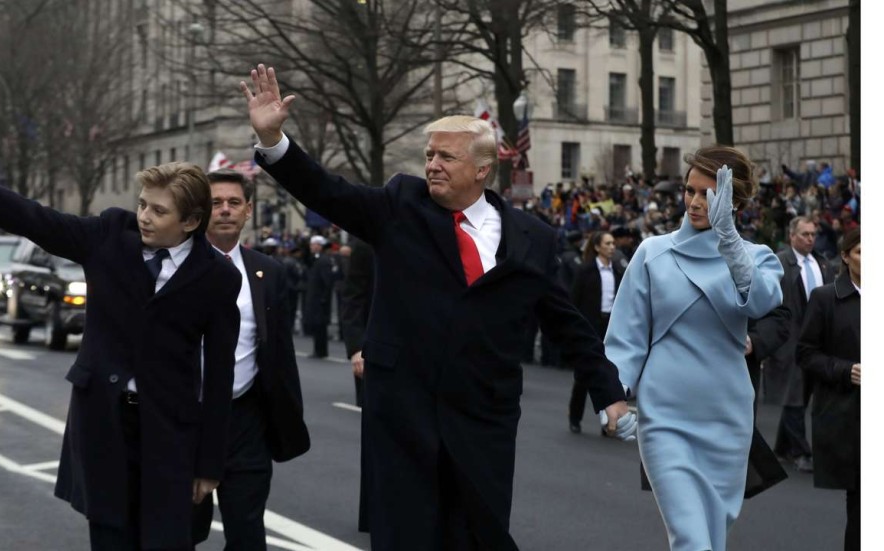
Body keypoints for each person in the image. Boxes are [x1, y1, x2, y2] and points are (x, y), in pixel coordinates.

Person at [240, 64, 632, 551]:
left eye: (446, 156)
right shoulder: (399, 206)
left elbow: (567, 324)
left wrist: (609, 394)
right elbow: (327, 190)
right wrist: (275, 139)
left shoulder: (533, 238)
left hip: (483, 419)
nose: (432, 165)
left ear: (482, 169)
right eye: (429, 155)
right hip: (402, 419)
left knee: (479, 538)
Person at [0, 137, 241, 550]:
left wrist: (209, 465)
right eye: (143, 204)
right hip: (104, 425)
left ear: (190, 221)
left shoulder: (218, 276)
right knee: (110, 539)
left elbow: (220, 376)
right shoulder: (110, 234)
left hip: (170, 435)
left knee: (168, 540)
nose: (145, 216)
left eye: (159, 211)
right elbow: (33, 219)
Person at [604, 146, 783, 551]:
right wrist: (612, 397)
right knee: (691, 539)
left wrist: (729, 241)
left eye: (709, 194)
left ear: (734, 200)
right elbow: (625, 337)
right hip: (665, 417)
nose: (696, 202)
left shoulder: (758, 258)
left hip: (727, 416)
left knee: (713, 538)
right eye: (690, 191)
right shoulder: (652, 252)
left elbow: (761, 301)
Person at [203, 168, 311, 549]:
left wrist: (283, 418)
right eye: (215, 203)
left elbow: (280, 354)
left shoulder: (271, 273)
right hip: (188, 419)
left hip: (245, 421)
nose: (225, 210)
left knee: (247, 532)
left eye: (234, 203)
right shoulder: (173, 266)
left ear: (248, 210)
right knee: (181, 530)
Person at [796, 227, 860, 551]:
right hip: (849, 415)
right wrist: (846, 370)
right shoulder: (826, 298)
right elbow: (806, 353)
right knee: (862, 509)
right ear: (846, 257)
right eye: (862, 251)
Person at [769, 216, 834, 472]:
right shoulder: (780, 262)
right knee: (795, 394)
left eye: (813, 234)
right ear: (792, 235)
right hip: (789, 338)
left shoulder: (823, 264)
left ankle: (783, 447)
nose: (810, 238)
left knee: (804, 394)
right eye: (805, 234)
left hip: (816, 339)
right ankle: (800, 451)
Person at [567, 231, 623, 434]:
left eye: (613, 243)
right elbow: (574, 301)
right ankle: (575, 418)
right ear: (597, 247)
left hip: (609, 326)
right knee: (583, 376)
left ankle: (608, 423)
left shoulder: (617, 271)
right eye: (608, 243)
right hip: (589, 326)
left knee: (609, 377)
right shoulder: (585, 271)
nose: (612, 247)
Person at [339, 235, 375, 534]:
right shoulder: (368, 243)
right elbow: (353, 296)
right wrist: (356, 347)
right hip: (376, 354)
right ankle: (376, 513)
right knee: (379, 441)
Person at [303, 234, 339, 358]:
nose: (311, 247)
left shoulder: (323, 260)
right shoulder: (317, 259)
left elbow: (327, 281)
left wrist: (324, 298)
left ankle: (321, 351)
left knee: (320, 326)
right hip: (317, 298)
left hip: (319, 299)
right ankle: (318, 350)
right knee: (317, 326)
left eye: (313, 245)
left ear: (319, 246)